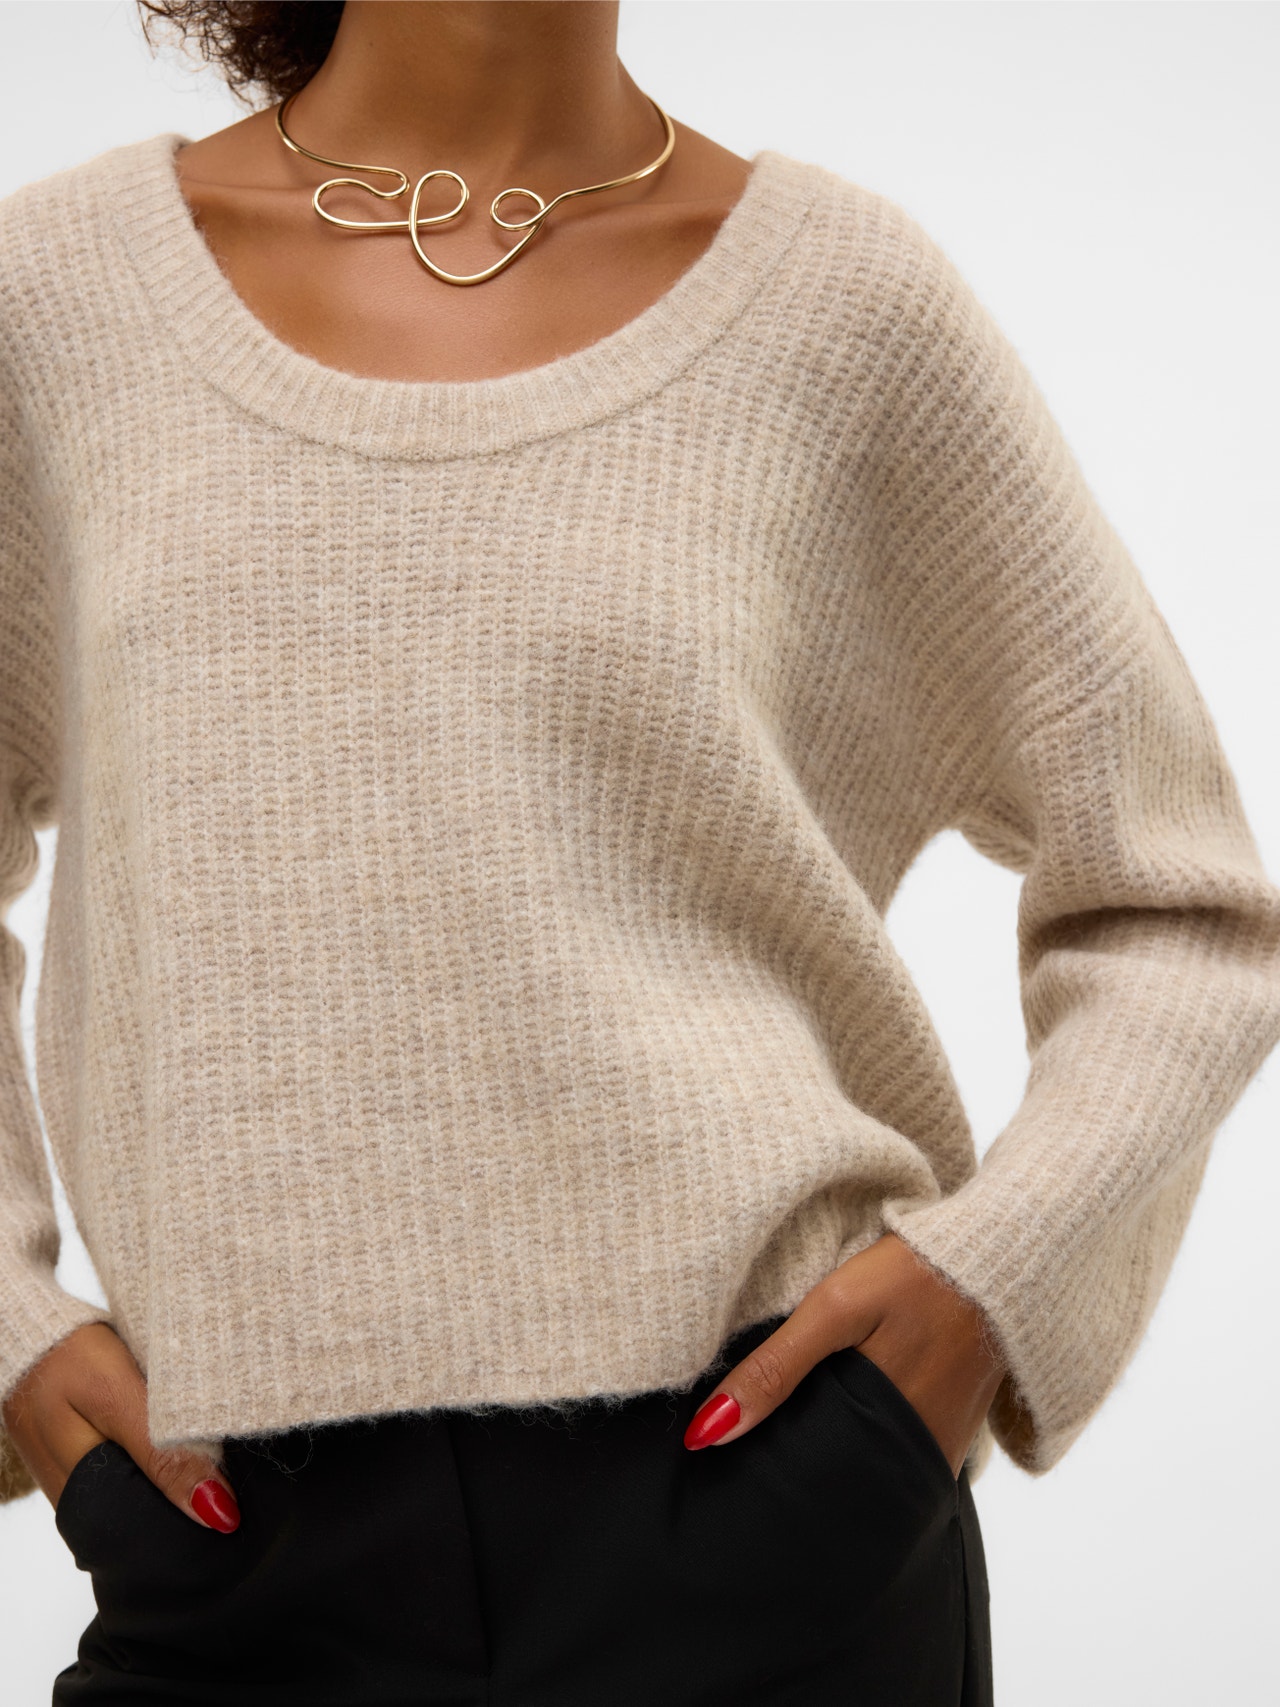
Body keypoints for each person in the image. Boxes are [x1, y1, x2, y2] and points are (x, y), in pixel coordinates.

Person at [1, 2, 1277, 1702]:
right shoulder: (56, 301)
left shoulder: (843, 308)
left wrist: (987, 1291)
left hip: (773, 1503)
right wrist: (14, 1330)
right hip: (226, 1533)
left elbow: (1181, 903)